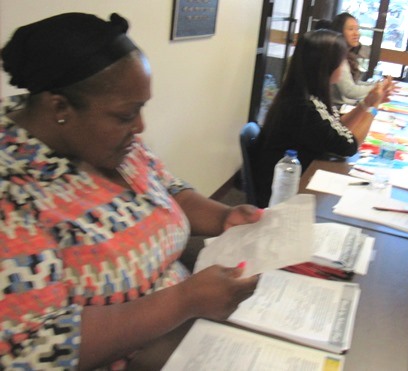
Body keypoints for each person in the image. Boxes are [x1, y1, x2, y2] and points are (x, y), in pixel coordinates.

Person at [0, 13, 263, 370]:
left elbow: (171, 190)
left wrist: (224, 216)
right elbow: (34, 349)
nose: (140, 127)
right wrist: (183, 301)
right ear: (59, 107)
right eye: (126, 115)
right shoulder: (14, 193)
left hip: (193, 326)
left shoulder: (112, 144)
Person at [253, 29, 394, 208]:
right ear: (326, 64)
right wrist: (373, 108)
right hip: (285, 194)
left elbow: (337, 127)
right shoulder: (303, 107)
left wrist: (366, 103)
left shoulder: (309, 94)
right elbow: (349, 145)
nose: (344, 66)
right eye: (341, 60)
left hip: (302, 177)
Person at [330, 12, 375, 107]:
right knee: (371, 110)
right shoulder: (336, 56)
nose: (356, 33)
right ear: (339, 32)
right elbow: (350, 90)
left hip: (347, 106)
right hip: (338, 109)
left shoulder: (346, 54)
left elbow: (353, 83)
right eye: (351, 29)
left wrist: (376, 85)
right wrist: (376, 88)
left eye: (357, 29)